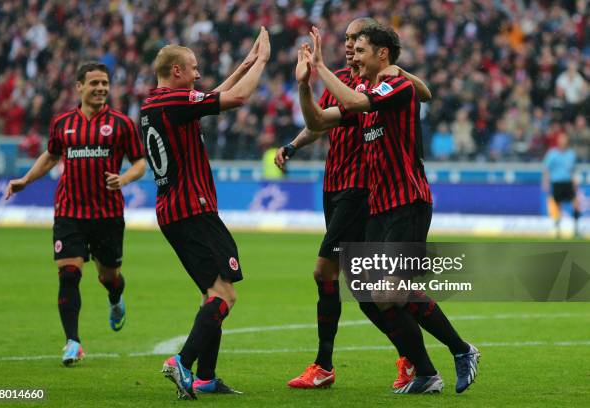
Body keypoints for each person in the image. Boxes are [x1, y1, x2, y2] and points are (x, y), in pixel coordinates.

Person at [296, 25, 479, 394]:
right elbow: (318, 121)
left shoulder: (395, 86)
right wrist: (305, 84)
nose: (353, 56)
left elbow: (364, 102)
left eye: (360, 50)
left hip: (408, 202)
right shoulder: (365, 89)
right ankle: (425, 373)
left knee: (393, 290)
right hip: (379, 207)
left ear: (382, 54)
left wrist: (321, 65)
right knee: (373, 294)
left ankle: (462, 350)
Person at [276, 17, 432, 390]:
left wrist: (395, 68)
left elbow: (423, 93)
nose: (348, 45)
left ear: (374, 47)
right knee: (365, 291)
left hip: (360, 189)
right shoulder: (342, 80)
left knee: (325, 273)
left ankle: (325, 364)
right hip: (335, 186)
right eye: (345, 39)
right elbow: (319, 122)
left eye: (355, 40)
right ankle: (412, 359)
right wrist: (293, 145)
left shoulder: (377, 82)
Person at [140, 28, 270, 399]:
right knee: (225, 295)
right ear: (177, 72)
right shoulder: (175, 103)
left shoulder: (154, 105)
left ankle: (207, 377)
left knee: (210, 294)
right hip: (192, 210)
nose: (198, 74)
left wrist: (243, 63)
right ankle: (182, 362)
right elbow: (238, 98)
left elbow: (210, 98)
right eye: (193, 68)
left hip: (173, 211)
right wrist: (261, 62)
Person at [5, 62, 146, 365]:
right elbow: (51, 155)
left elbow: (139, 162)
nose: (101, 88)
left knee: (109, 276)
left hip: (107, 215)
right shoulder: (63, 123)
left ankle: (115, 298)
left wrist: (124, 179)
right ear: (79, 87)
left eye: (105, 83)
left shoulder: (122, 124)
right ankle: (73, 342)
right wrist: (25, 181)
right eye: (94, 83)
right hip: (69, 212)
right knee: (69, 274)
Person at [542, 132, 581, 238]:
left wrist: (575, 182)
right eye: (561, 139)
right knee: (558, 206)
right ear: (558, 141)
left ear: (567, 141)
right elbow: (546, 168)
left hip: (568, 182)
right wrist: (545, 181)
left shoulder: (571, 154)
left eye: (564, 139)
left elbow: (573, 170)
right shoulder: (552, 154)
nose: (562, 141)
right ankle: (558, 230)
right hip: (557, 182)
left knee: (576, 204)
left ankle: (576, 229)